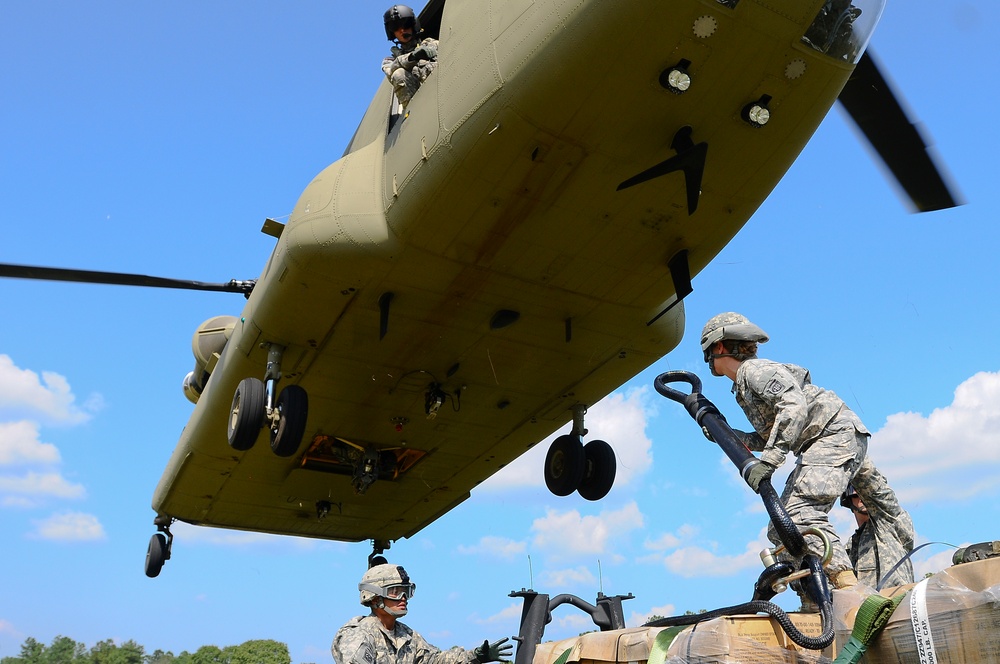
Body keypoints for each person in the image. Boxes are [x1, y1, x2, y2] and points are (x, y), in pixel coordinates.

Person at [699, 312, 909, 602]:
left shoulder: (754, 372)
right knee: (780, 528)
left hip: (830, 436)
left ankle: (850, 592)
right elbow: (774, 431)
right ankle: (816, 593)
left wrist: (769, 462)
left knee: (797, 516)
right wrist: (733, 436)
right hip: (831, 439)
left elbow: (793, 406)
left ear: (718, 347)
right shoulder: (745, 385)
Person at [332, 563, 513, 664]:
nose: (403, 598)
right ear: (374, 598)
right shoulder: (358, 634)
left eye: (406, 591)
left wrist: (476, 656)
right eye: (395, 591)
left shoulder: (409, 637)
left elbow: (436, 660)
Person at [841, 485, 915, 589]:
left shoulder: (891, 524)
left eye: (867, 493)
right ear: (849, 500)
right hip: (866, 604)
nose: (863, 496)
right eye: (856, 494)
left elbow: (876, 485)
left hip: (898, 601)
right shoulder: (847, 550)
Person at [382, 5, 439, 108]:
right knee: (398, 74)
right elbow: (390, 72)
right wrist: (411, 57)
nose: (402, 30)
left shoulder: (430, 43)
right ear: (392, 33)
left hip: (438, 89)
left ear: (414, 25)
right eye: (395, 27)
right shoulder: (389, 61)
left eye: (406, 24)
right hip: (419, 105)